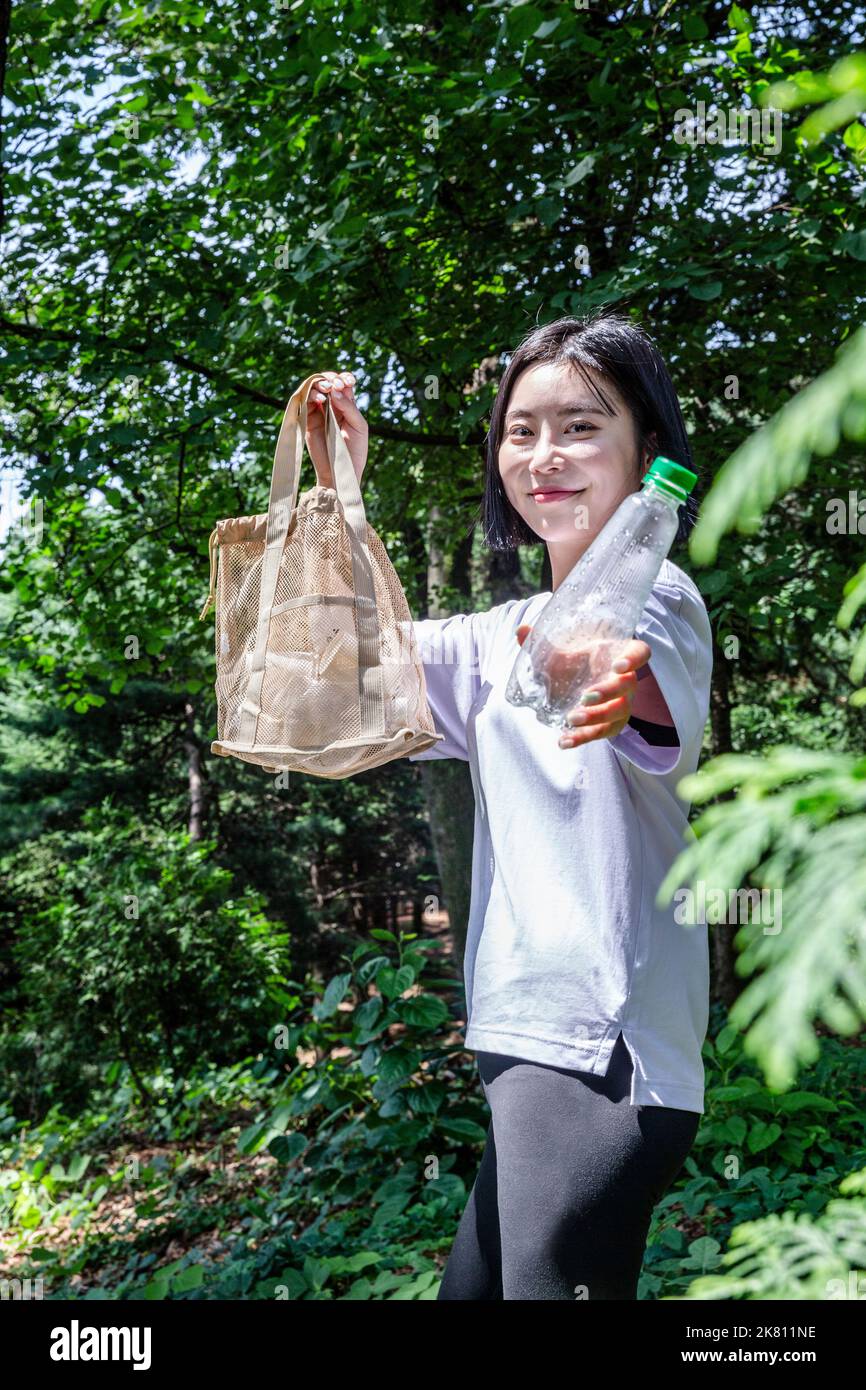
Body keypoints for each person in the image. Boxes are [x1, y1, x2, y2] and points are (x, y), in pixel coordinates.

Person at [304, 310, 713, 1301]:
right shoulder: (495, 638)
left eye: (580, 426)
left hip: (597, 1052)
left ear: (644, 448)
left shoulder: (660, 594)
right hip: (528, 1051)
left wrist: (617, 681)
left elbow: (631, 662)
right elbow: (349, 667)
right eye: (519, 430)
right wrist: (340, 491)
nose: (543, 455)